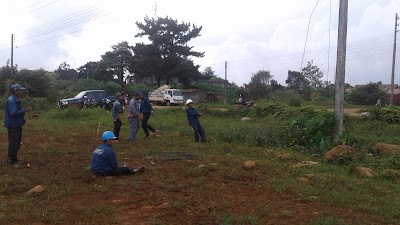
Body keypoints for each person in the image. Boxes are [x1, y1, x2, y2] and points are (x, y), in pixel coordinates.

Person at [4, 84, 32, 167]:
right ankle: (12, 161)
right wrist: (25, 110)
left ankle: (14, 159)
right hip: (13, 125)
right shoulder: (12, 100)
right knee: (14, 143)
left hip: (16, 124)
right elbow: (13, 113)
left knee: (16, 142)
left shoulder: (15, 99)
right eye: (20, 90)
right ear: (15, 91)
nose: (21, 92)